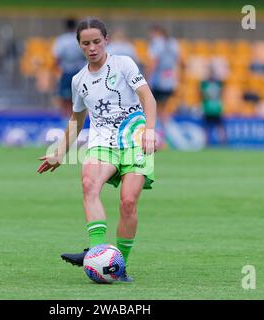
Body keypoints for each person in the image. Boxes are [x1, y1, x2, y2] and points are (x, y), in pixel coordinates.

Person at [37, 17, 157, 282]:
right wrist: (59, 152)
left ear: (106, 41)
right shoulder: (78, 80)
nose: (92, 47)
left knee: (128, 202)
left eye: (96, 42)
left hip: (134, 140)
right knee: (89, 183)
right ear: (79, 45)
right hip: (102, 143)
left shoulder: (124, 64)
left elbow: (147, 97)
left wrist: (149, 131)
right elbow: (76, 121)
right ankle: (97, 252)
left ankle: (119, 264)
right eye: (86, 43)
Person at [52, 18, 86, 118]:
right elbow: (86, 56)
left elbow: (56, 58)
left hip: (66, 72)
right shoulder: (79, 39)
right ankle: (76, 120)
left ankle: (66, 120)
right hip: (78, 72)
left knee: (64, 98)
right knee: (78, 100)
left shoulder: (61, 40)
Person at [147, 24, 179, 124]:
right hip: (169, 81)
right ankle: (165, 130)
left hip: (158, 81)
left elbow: (154, 63)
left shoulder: (157, 43)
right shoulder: (173, 43)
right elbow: (178, 62)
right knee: (163, 109)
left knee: (154, 108)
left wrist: (147, 78)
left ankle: (158, 131)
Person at [200, 60, 227, 146]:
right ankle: (222, 143)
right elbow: (221, 94)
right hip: (215, 108)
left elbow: (202, 95)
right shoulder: (219, 84)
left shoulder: (204, 84)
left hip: (209, 108)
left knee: (207, 128)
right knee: (219, 127)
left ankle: (206, 143)